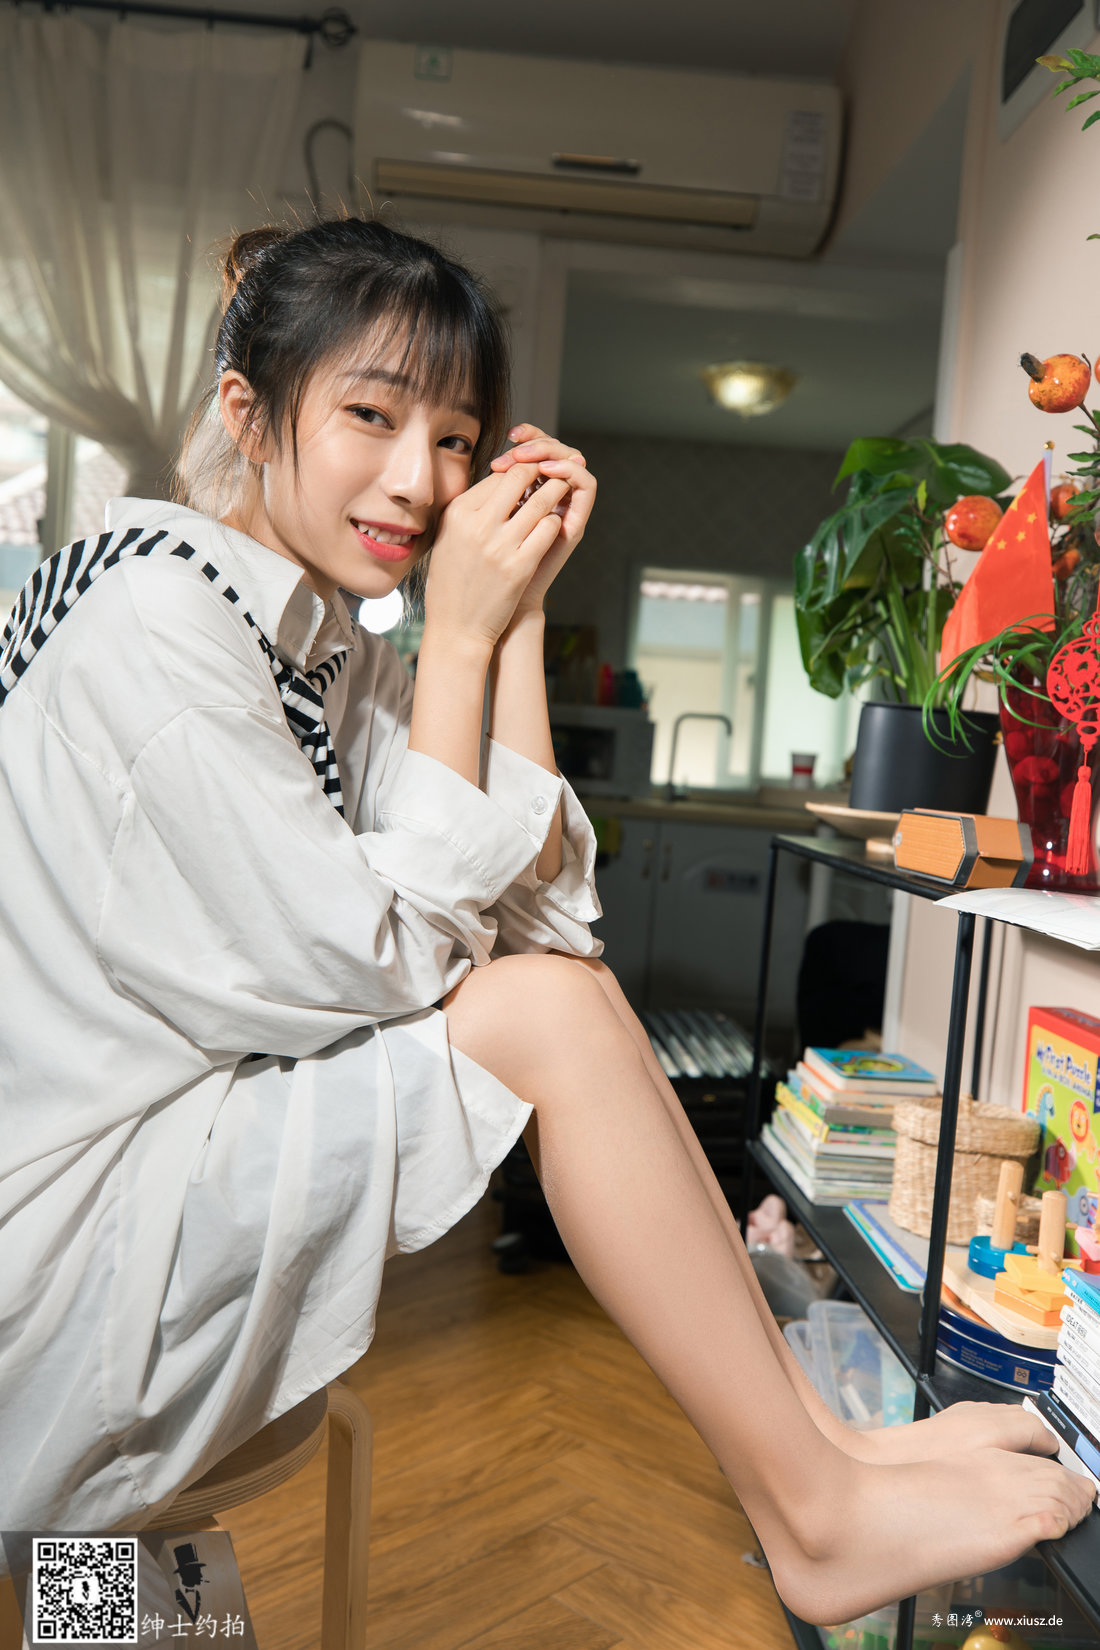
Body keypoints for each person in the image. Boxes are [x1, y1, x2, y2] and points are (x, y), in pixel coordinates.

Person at [0, 216, 1092, 1626]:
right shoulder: (160, 626)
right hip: (73, 1247)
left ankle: (821, 1454)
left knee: (560, 999)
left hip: (176, 1172)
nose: (420, 479)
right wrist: (453, 635)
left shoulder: (315, 642)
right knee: (547, 1018)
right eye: (371, 416)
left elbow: (540, 918)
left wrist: (511, 620)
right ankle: (814, 1513)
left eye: (455, 438)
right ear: (248, 416)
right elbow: (379, 961)